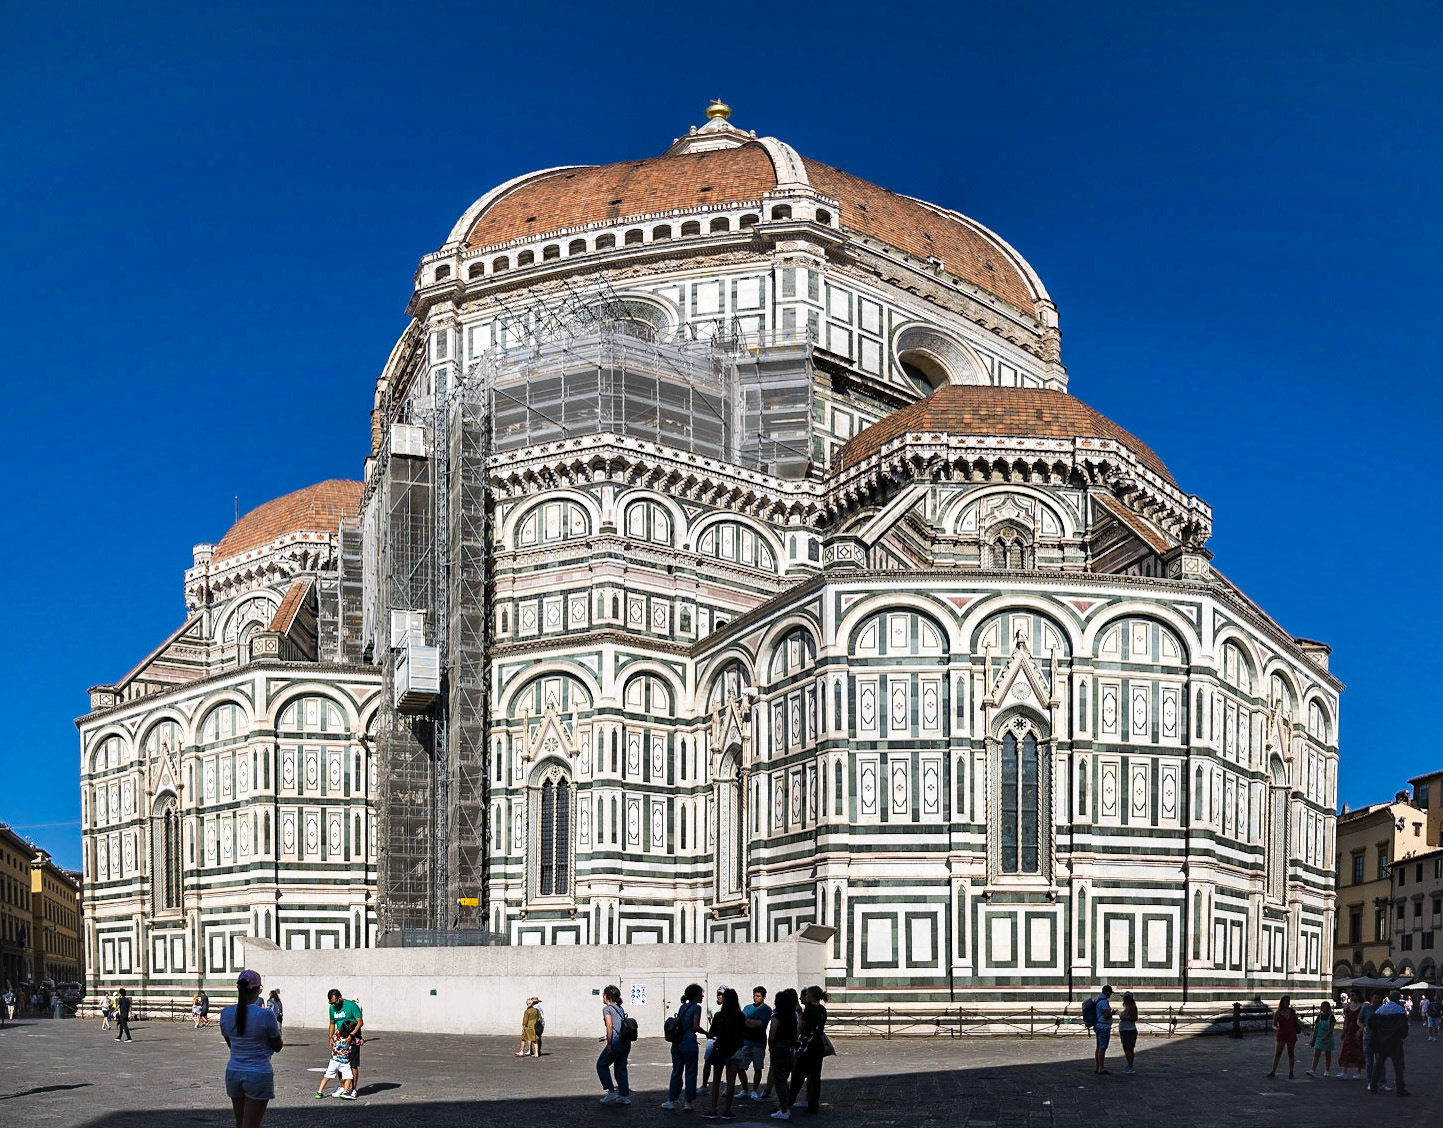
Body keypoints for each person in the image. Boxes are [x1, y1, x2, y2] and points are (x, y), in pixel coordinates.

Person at [220, 969, 284, 1128]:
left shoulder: (226, 1013)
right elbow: (277, 1046)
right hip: (258, 1073)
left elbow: (231, 1044)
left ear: (238, 988)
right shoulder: (266, 1015)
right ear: (258, 990)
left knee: (240, 1123)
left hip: (233, 1072)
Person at [703, 986, 747, 1120]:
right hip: (735, 1050)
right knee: (731, 1082)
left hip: (721, 1049)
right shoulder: (740, 1015)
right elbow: (744, 1032)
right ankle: (727, 1110)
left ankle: (713, 1109)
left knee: (716, 1081)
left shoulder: (719, 1015)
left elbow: (712, 1033)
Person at [662, 983, 704, 1111]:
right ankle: (688, 1102)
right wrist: (707, 1033)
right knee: (691, 1072)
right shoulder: (696, 1008)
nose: (702, 996)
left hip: (678, 1041)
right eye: (701, 994)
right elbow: (695, 1027)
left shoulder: (683, 1007)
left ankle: (671, 1100)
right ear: (696, 995)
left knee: (676, 1071)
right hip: (689, 1041)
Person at [789, 986, 829, 1114]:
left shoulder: (810, 1009)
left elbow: (801, 1026)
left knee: (797, 1077)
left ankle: (787, 1104)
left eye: (807, 995)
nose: (805, 997)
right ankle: (813, 1105)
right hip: (818, 1045)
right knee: (815, 1077)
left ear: (811, 995)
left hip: (807, 1046)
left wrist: (794, 1039)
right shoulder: (823, 1009)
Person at [1367, 990, 1410, 1096]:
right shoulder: (1400, 1010)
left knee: (1379, 1065)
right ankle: (1400, 1088)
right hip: (1395, 1042)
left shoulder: (1381, 1009)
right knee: (1398, 1066)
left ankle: (1373, 1086)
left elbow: (1371, 1022)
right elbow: (1404, 1028)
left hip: (1382, 1042)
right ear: (1397, 999)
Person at [767, 988, 800, 1121]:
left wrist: (770, 1047)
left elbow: (772, 1035)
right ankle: (785, 1106)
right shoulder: (793, 1018)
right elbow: (796, 1035)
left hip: (779, 1049)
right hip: (790, 1050)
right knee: (785, 1078)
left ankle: (784, 1109)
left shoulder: (776, 1018)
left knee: (780, 1080)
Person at [597, 984, 632, 1105]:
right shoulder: (619, 1008)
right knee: (620, 1068)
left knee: (601, 1064)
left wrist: (610, 1044)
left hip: (616, 1041)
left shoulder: (607, 1009)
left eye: (603, 995)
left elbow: (610, 1026)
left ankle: (611, 1091)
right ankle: (625, 1096)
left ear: (607, 996)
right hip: (625, 1041)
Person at [325, 989, 365, 1096]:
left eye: (334, 1002)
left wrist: (351, 1035)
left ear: (340, 997)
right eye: (331, 1003)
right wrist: (330, 1037)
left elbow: (360, 1022)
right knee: (339, 1063)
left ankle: (354, 1089)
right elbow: (332, 1023)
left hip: (353, 1037)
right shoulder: (332, 1008)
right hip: (339, 1039)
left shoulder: (351, 1005)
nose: (333, 1005)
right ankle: (343, 1087)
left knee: (353, 1064)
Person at [741, 986, 773, 1100]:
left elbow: (761, 1023)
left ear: (763, 997)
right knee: (741, 1067)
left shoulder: (767, 1010)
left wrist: (748, 1021)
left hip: (759, 1042)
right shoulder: (747, 1008)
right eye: (754, 995)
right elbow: (742, 1021)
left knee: (757, 1068)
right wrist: (749, 1022)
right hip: (746, 1041)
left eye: (758, 996)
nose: (755, 998)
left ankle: (754, 1090)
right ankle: (745, 1089)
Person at [316, 1019, 358, 1100]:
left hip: (334, 1061)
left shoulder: (335, 1037)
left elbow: (333, 1037)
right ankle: (345, 1092)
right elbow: (359, 1042)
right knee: (349, 1077)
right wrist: (361, 1040)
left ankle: (319, 1092)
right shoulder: (349, 1040)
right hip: (344, 1062)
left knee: (327, 1076)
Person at [701, 985, 727, 1095]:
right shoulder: (711, 1006)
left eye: (722, 994)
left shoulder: (729, 1008)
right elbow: (709, 1018)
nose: (720, 996)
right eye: (718, 994)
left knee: (727, 1062)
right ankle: (704, 1085)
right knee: (708, 1060)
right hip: (713, 1037)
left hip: (725, 1038)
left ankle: (727, 1088)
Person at [1267, 995, 1298, 1078]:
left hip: (1291, 1033)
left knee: (1291, 1053)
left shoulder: (1292, 1011)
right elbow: (1273, 1025)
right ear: (1282, 1002)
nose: (1288, 1003)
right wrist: (1276, 1028)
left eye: (1289, 1001)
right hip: (1281, 1033)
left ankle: (1291, 1072)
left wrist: (1304, 1030)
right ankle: (1273, 1071)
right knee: (1278, 1053)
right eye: (1286, 1001)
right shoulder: (1277, 1013)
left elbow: (1297, 1021)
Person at [1338, 994, 1365, 1079]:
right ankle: (1344, 1071)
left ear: (1357, 996)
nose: (1351, 997)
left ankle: (1358, 1072)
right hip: (1349, 1030)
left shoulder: (1362, 1006)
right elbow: (1346, 1019)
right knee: (1346, 1050)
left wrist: (1360, 1030)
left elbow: (1363, 1019)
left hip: (1357, 1030)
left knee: (1358, 1050)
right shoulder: (1348, 1006)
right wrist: (1343, 1031)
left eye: (1353, 995)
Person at [1306, 1000, 1336, 1077]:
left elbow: (1332, 1028)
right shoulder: (1319, 1016)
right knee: (1316, 1054)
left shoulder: (1331, 1017)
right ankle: (1313, 1069)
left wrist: (1326, 1036)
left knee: (1327, 1055)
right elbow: (1316, 1028)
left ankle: (1327, 1070)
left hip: (1328, 1037)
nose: (1322, 1007)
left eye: (1324, 1006)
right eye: (1321, 1006)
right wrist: (1313, 1038)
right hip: (1319, 1037)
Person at [1092, 984, 1115, 1075]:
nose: (1110, 995)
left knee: (1099, 1047)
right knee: (1102, 1047)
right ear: (1106, 992)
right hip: (1103, 1026)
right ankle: (1101, 1068)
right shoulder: (1104, 1002)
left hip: (1098, 1025)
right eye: (1110, 993)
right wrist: (1112, 1013)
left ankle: (1098, 1067)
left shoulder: (1098, 1000)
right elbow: (1106, 1014)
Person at [1118, 991, 1139, 1075]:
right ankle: (1129, 1065)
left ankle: (1130, 1066)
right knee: (1128, 1048)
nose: (1123, 999)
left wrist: (1124, 1017)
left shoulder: (1132, 1007)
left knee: (1128, 1049)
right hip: (1126, 1030)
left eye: (1124, 998)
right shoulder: (1128, 1006)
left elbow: (1134, 1018)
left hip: (1129, 1030)